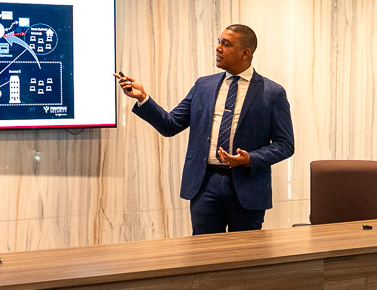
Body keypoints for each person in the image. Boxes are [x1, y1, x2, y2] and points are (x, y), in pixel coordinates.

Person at [117, 25, 296, 235]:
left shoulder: (272, 93)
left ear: (245, 53)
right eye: (219, 42)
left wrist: (250, 158)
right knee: (204, 251)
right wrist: (143, 98)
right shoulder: (203, 86)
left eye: (226, 44)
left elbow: (285, 145)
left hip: (248, 186)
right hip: (205, 184)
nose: (218, 48)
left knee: (245, 251)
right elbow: (170, 125)